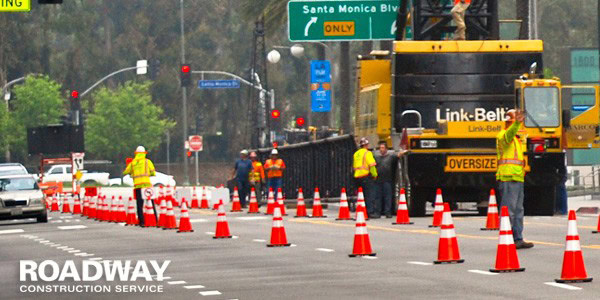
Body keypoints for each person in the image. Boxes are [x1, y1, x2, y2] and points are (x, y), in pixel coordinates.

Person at [496, 109, 533, 249]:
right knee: (508, 211)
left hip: (517, 177)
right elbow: (510, 133)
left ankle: (518, 238)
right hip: (507, 177)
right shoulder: (503, 136)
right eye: (514, 123)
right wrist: (517, 123)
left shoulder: (517, 139)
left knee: (518, 210)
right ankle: (506, 238)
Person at [122, 146, 156, 227]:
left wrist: (131, 172)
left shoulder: (133, 163)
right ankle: (155, 219)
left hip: (137, 186)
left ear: (136, 153)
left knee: (139, 205)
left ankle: (142, 222)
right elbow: (153, 173)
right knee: (151, 203)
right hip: (147, 185)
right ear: (144, 153)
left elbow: (126, 172)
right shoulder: (147, 162)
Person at [353, 137, 378, 218]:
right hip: (365, 177)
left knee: (360, 196)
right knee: (369, 195)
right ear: (366, 145)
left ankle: (360, 211)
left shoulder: (356, 154)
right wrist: (374, 175)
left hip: (357, 177)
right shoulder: (367, 153)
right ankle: (369, 212)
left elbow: (354, 166)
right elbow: (372, 165)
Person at [374, 141, 398, 218]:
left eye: (383, 148)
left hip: (387, 180)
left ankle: (388, 212)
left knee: (388, 197)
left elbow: (398, 155)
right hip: (378, 180)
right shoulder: (376, 157)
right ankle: (378, 212)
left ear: (386, 149)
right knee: (378, 197)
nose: (381, 149)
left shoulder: (390, 156)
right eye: (380, 148)